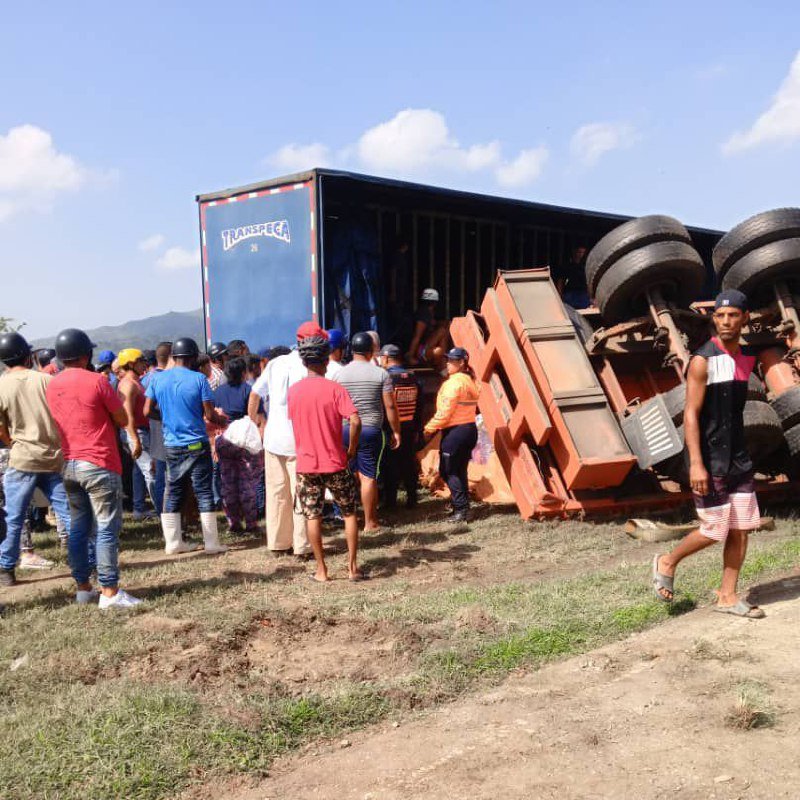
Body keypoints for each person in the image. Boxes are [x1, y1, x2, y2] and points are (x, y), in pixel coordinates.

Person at [652, 289, 765, 617]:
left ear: (745, 318)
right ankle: (668, 561)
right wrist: (697, 464)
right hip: (710, 459)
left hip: (739, 458)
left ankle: (727, 597)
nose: (726, 322)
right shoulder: (703, 360)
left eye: (733, 316)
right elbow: (690, 413)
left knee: (740, 527)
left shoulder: (746, 359)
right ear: (714, 319)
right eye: (720, 316)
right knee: (714, 528)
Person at [46, 328, 140, 609]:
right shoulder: (97, 381)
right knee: (106, 529)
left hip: (69, 464)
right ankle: (109, 592)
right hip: (98, 462)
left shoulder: (52, 384)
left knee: (78, 527)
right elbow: (122, 418)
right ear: (86, 355)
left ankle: (83, 588)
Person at [288, 335, 364, 582]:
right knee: (349, 513)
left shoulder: (294, 392)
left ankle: (322, 571)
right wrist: (351, 449)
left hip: (307, 464)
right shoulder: (335, 389)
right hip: (336, 461)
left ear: (304, 362)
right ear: (326, 361)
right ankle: (352, 569)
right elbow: (354, 420)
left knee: (313, 516)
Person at [143, 336, 228, 555]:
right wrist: (221, 420)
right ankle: (211, 543)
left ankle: (172, 543)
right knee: (203, 491)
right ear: (192, 357)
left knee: (174, 491)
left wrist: (167, 417)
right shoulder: (199, 379)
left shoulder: (157, 379)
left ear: (174, 357)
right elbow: (209, 413)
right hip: (197, 444)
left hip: (172, 445)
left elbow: (146, 411)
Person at [0, 332, 67, 585]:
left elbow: (1, 429)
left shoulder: (2, 385)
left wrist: (13, 443)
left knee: (14, 517)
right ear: (28, 356)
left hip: (21, 460)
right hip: (52, 457)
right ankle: (87, 564)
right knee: (69, 515)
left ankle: (6, 570)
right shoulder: (46, 380)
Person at [248, 324, 316, 557]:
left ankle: (278, 544)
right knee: (302, 493)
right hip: (300, 440)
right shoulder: (311, 366)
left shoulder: (276, 363)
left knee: (277, 493)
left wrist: (257, 422)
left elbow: (255, 393)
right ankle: (302, 546)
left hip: (274, 439)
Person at [336, 332, 401, 531]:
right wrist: (396, 430)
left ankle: (350, 518)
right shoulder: (380, 373)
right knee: (368, 476)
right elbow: (390, 406)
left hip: (346, 429)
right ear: (372, 350)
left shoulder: (340, 374)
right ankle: (370, 522)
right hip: (371, 429)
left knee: (351, 474)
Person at [423, 347, 480, 523]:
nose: (447, 363)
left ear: (461, 362)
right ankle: (462, 507)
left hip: (455, 431)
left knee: (449, 470)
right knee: (459, 469)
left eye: (452, 360)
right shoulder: (470, 381)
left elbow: (445, 413)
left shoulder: (453, 384)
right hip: (469, 429)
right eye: (447, 360)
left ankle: (461, 510)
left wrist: (428, 428)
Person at [214, 357, 261, 532]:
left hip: (224, 439)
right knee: (247, 483)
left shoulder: (218, 392)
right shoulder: (249, 390)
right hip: (244, 441)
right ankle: (251, 523)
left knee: (228, 483)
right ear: (243, 373)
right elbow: (256, 415)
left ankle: (233, 523)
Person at [379, 344, 422, 508]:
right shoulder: (413, 377)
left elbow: (385, 405)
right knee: (408, 462)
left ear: (386, 358)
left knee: (390, 465)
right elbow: (420, 404)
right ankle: (412, 498)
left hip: (391, 427)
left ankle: (390, 502)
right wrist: (418, 427)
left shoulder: (386, 377)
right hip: (409, 425)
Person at [117, 348, 157, 519]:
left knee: (139, 472)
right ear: (132, 364)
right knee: (150, 472)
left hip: (140, 431)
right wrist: (135, 440)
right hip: (137, 432)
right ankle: (164, 512)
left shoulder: (135, 382)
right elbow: (128, 415)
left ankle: (139, 509)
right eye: (141, 362)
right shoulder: (128, 385)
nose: (144, 365)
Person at [141, 341, 171, 513]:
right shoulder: (165, 379)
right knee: (167, 478)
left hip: (154, 431)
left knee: (160, 476)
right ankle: (167, 514)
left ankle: (162, 513)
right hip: (165, 431)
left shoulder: (146, 379)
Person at [406, 289, 449, 369]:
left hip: (426, 348)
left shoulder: (429, 313)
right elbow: (417, 335)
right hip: (421, 350)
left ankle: (442, 366)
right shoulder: (423, 314)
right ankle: (438, 363)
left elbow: (434, 323)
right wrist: (410, 356)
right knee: (442, 331)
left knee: (439, 350)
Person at [554, 244, 590, 309]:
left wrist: (591, 296)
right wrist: (559, 295)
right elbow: (561, 281)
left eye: (582, 252)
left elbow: (588, 282)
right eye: (579, 252)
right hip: (570, 293)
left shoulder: (585, 267)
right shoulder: (567, 266)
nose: (580, 254)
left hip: (583, 294)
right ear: (574, 252)